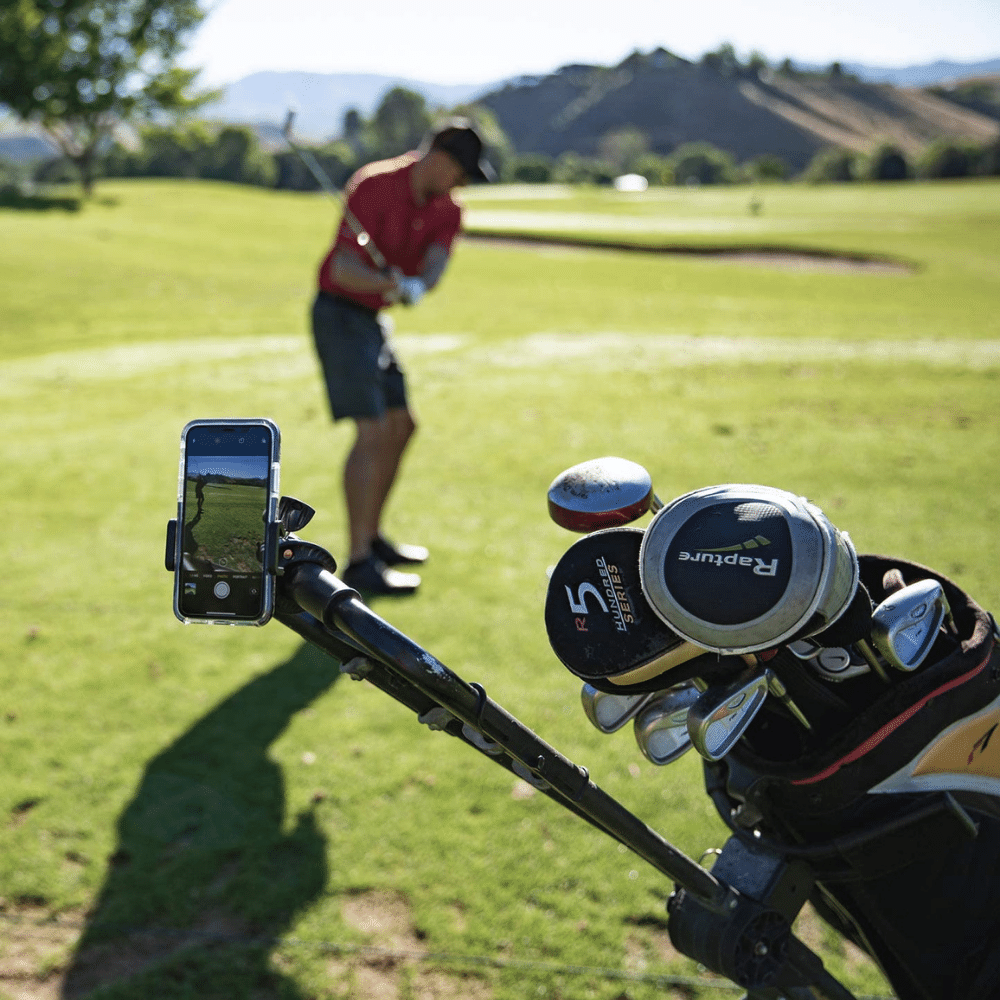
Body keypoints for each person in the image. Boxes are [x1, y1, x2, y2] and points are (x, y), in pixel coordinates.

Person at [311, 118, 494, 595]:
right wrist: (388, 283)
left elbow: (435, 265)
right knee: (372, 431)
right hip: (340, 314)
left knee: (402, 424)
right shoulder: (374, 186)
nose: (463, 182)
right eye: (461, 171)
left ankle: (372, 537)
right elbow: (343, 269)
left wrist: (418, 286)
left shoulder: (448, 211)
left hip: (373, 321)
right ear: (438, 156)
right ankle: (357, 563)